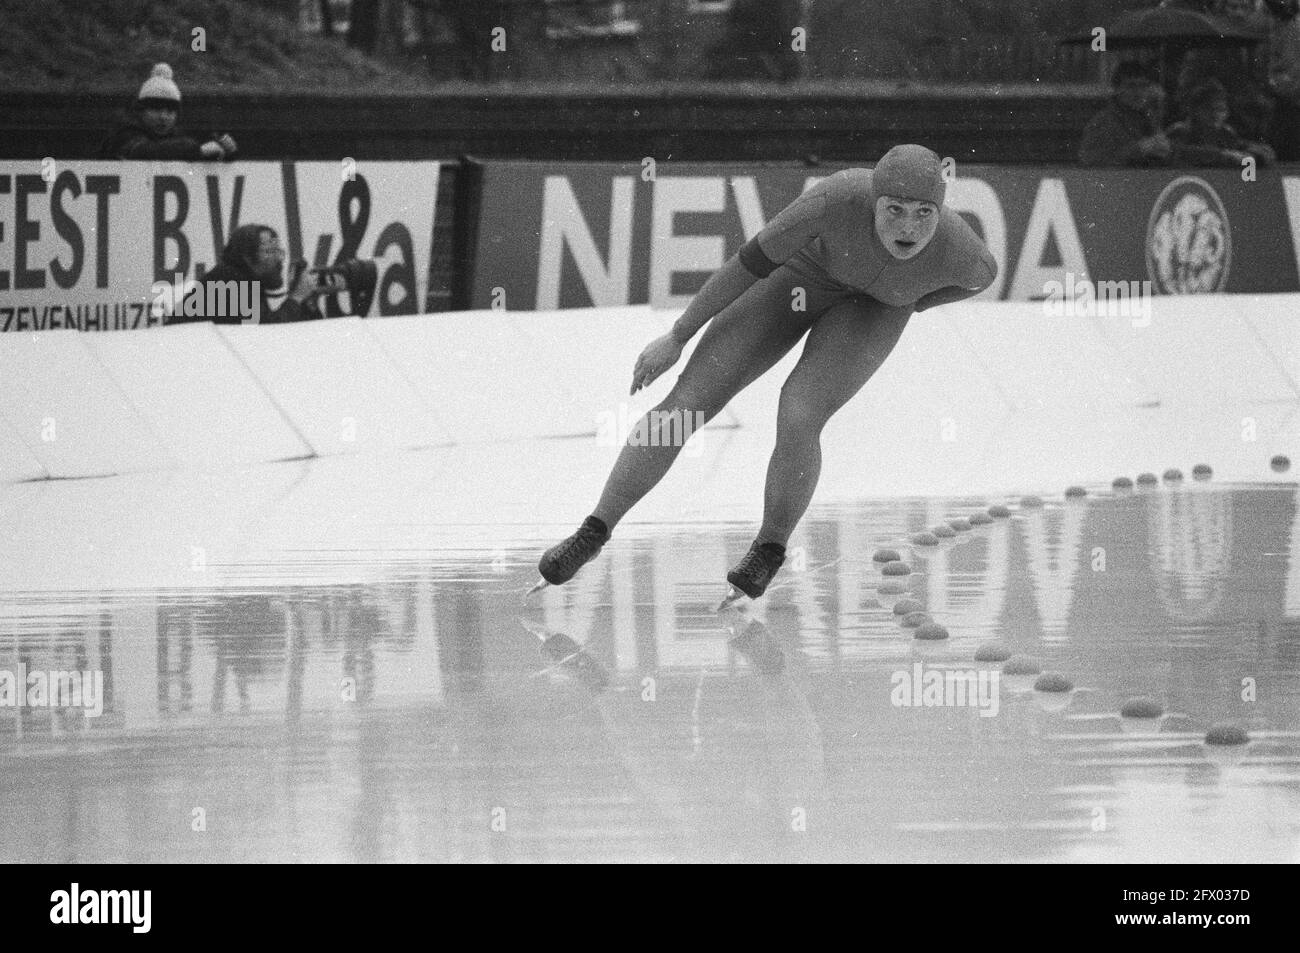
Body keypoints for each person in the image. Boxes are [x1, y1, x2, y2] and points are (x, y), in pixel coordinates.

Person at [533, 145, 997, 602]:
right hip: (798, 278)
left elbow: (979, 281)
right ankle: (593, 530)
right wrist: (679, 334)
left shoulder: (963, 254)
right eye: (894, 209)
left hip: (872, 312)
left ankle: (769, 550)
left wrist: (912, 300)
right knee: (687, 404)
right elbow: (747, 266)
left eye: (923, 214)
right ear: (872, 201)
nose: (908, 227)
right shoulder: (834, 199)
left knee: (799, 414)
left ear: (941, 213)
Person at [166, 224, 330, 326]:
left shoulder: (247, 280)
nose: (279, 260)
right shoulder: (230, 281)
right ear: (247, 257)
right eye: (269, 252)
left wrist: (309, 304)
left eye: (279, 251)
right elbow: (267, 335)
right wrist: (296, 298)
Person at [99, 63, 238, 161]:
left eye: (170, 111)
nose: (163, 117)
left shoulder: (175, 137)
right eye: (156, 108)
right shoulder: (122, 133)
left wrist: (226, 153)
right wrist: (196, 151)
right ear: (141, 111)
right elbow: (142, 152)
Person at [1079, 61, 1176, 166]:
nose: (1138, 92)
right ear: (1117, 89)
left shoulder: (1150, 117)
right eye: (1131, 86)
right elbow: (1090, 161)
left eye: (1144, 86)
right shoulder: (1102, 122)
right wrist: (1138, 150)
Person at [1166, 77, 1277, 164]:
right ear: (1195, 110)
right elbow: (1181, 153)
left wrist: (1256, 150)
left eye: (1220, 110)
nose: (1215, 115)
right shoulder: (1180, 131)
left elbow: (1239, 146)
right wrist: (1223, 155)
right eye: (1209, 108)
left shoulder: (1225, 133)